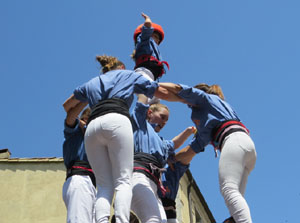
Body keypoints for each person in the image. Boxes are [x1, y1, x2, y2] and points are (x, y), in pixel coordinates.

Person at [63, 55, 179, 223]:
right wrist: (185, 97)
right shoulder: (127, 76)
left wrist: (89, 97)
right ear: (120, 69)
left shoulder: (93, 82)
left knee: (104, 186)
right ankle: (121, 220)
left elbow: (67, 106)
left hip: (95, 125)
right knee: (123, 181)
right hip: (117, 120)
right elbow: (159, 91)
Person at [158, 82, 257, 223]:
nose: (189, 106)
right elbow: (192, 149)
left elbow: (179, 89)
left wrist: (153, 84)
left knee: (228, 189)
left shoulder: (204, 99)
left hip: (233, 141)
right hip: (246, 145)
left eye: (189, 104)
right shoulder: (215, 114)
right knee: (235, 204)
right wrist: (170, 159)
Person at [130, 94, 194, 223]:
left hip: (152, 182)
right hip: (139, 175)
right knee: (153, 218)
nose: (164, 123)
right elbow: (140, 105)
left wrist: (188, 132)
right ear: (149, 113)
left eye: (166, 121)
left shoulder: (160, 142)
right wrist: (147, 86)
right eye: (162, 117)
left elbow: (173, 144)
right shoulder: (140, 125)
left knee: (163, 220)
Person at [62, 105, 97, 223]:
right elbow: (70, 117)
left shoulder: (95, 140)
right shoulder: (75, 132)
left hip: (91, 184)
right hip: (79, 178)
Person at [132, 13, 169, 81]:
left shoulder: (155, 53)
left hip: (151, 76)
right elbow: (146, 31)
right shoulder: (144, 41)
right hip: (143, 73)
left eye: (158, 38)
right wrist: (148, 20)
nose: (157, 40)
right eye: (155, 36)